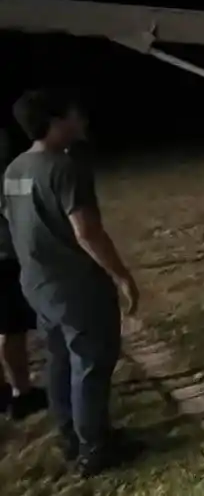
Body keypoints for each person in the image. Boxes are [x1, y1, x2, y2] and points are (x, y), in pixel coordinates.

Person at [3, 90, 140, 477]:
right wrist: (121, 275)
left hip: (37, 282)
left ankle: (71, 436)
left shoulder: (14, 169)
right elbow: (87, 232)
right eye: (74, 113)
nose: (81, 119)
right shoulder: (64, 168)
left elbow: (12, 218)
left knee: (60, 359)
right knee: (91, 362)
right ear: (55, 120)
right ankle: (94, 447)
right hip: (75, 284)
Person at [1, 128, 48, 421]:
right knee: (12, 330)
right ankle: (22, 393)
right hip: (4, 260)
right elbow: (21, 205)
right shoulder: (7, 178)